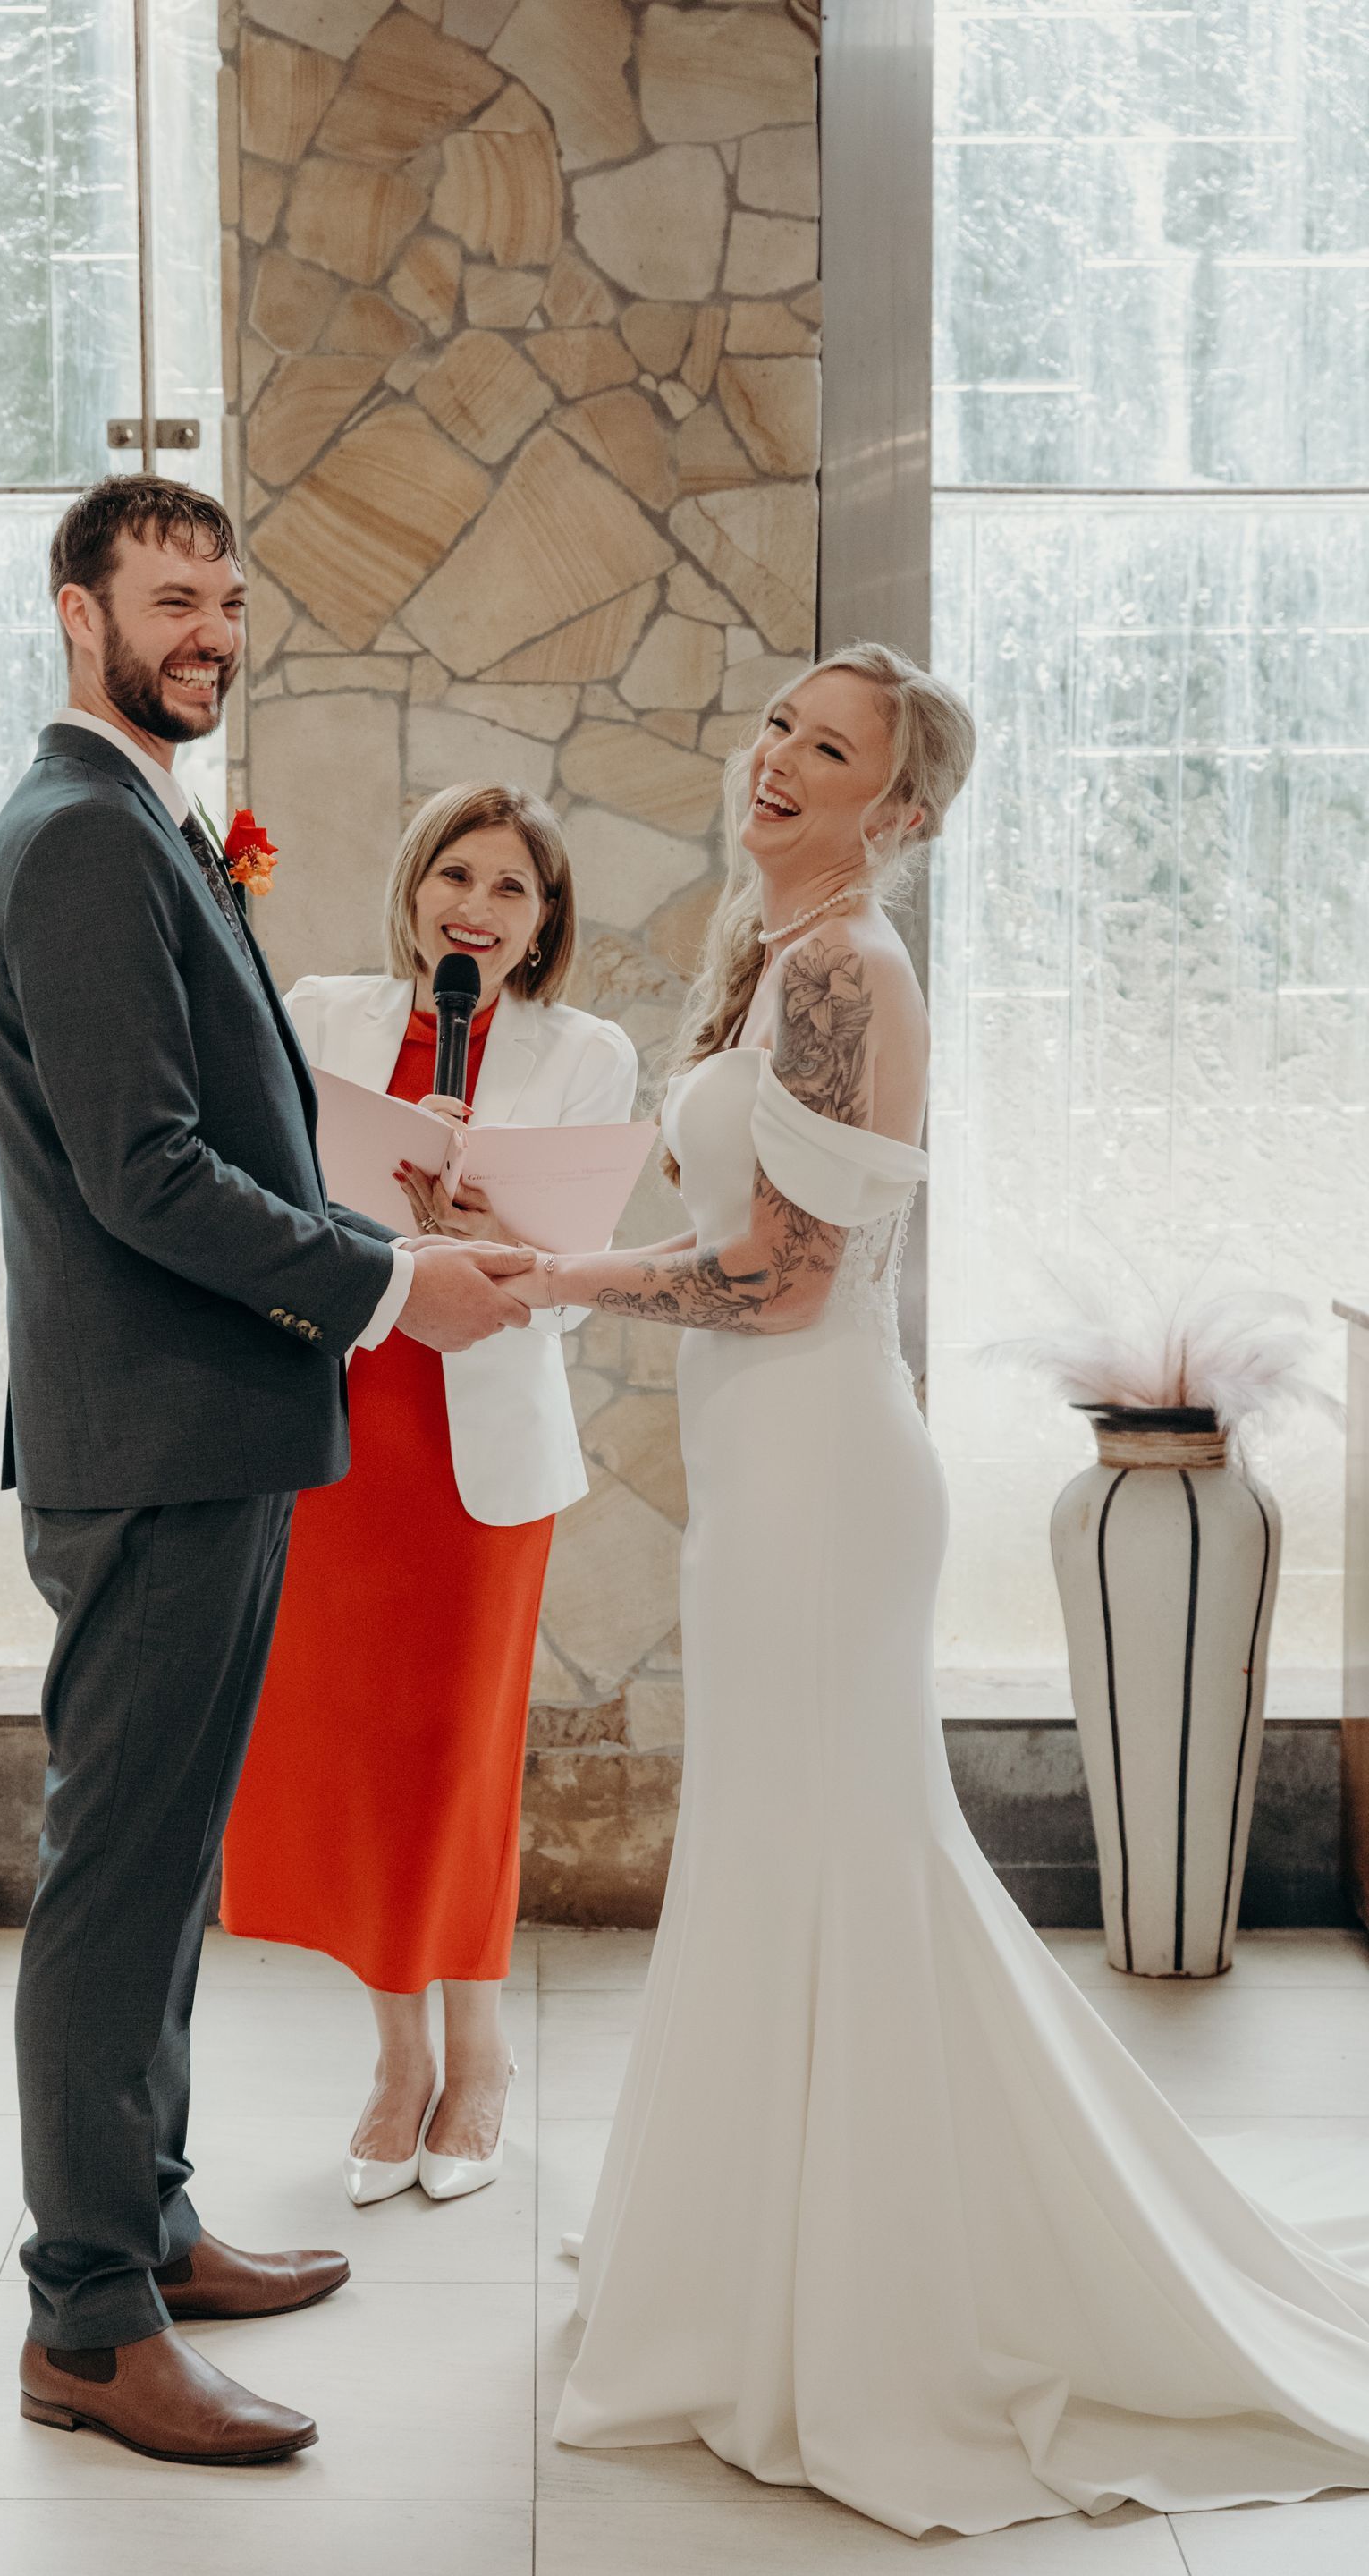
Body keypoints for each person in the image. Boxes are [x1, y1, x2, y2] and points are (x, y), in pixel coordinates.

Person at [511, 642, 1369, 2537]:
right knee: (775, 1854)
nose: (777, 757)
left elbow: (791, 1278)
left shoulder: (841, 970)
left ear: (899, 812)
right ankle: (755, 2256)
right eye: (776, 725)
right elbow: (733, 1233)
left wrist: (565, 1291)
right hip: (770, 1468)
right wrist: (552, 1237)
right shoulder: (769, 950)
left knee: (834, 1859)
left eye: (828, 748)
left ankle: (858, 2298)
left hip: (819, 1472)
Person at [0, 476, 532, 2469]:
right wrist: (390, 1285)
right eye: (167, 598)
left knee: (169, 1865)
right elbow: (145, 1178)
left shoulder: (143, 822)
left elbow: (232, 1137)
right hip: (155, 1443)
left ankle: (155, 2220)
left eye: (226, 597)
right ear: (73, 611)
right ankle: (87, 2320)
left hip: (206, 1428)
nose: (207, 628)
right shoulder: (79, 843)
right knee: (120, 1879)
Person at [220, 784, 639, 2206]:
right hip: (336, 1431)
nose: (477, 904)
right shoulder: (321, 1015)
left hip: (479, 1452)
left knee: (460, 1753)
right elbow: (262, 1204)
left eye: (511, 887)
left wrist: (495, 1239)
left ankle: (484, 2059)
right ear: (413, 894)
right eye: (456, 874)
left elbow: (572, 1296)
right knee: (358, 1752)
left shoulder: (587, 1054)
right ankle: (397, 2068)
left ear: (542, 924)